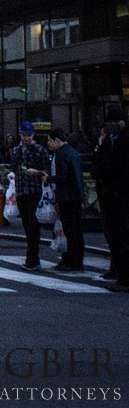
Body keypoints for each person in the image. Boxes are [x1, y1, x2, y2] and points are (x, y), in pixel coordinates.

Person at [94, 107, 129, 291]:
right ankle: (118, 271)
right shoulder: (109, 141)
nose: (112, 126)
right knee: (114, 235)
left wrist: (117, 190)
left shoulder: (123, 140)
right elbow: (99, 161)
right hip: (110, 193)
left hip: (120, 195)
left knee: (123, 236)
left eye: (116, 122)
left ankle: (125, 277)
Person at [10, 121, 49, 271]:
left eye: (28, 135)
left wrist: (37, 172)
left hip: (35, 191)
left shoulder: (39, 150)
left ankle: (32, 258)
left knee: (33, 225)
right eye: (23, 135)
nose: (25, 138)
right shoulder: (16, 150)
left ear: (33, 135)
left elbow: (46, 170)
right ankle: (31, 256)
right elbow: (13, 167)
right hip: (21, 190)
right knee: (27, 225)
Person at [45, 128, 85, 272]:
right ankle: (75, 259)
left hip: (67, 196)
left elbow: (62, 177)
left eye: (50, 140)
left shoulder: (61, 154)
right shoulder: (73, 152)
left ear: (57, 140)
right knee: (76, 230)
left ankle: (71, 261)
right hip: (76, 195)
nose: (49, 144)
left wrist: (48, 178)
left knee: (69, 230)